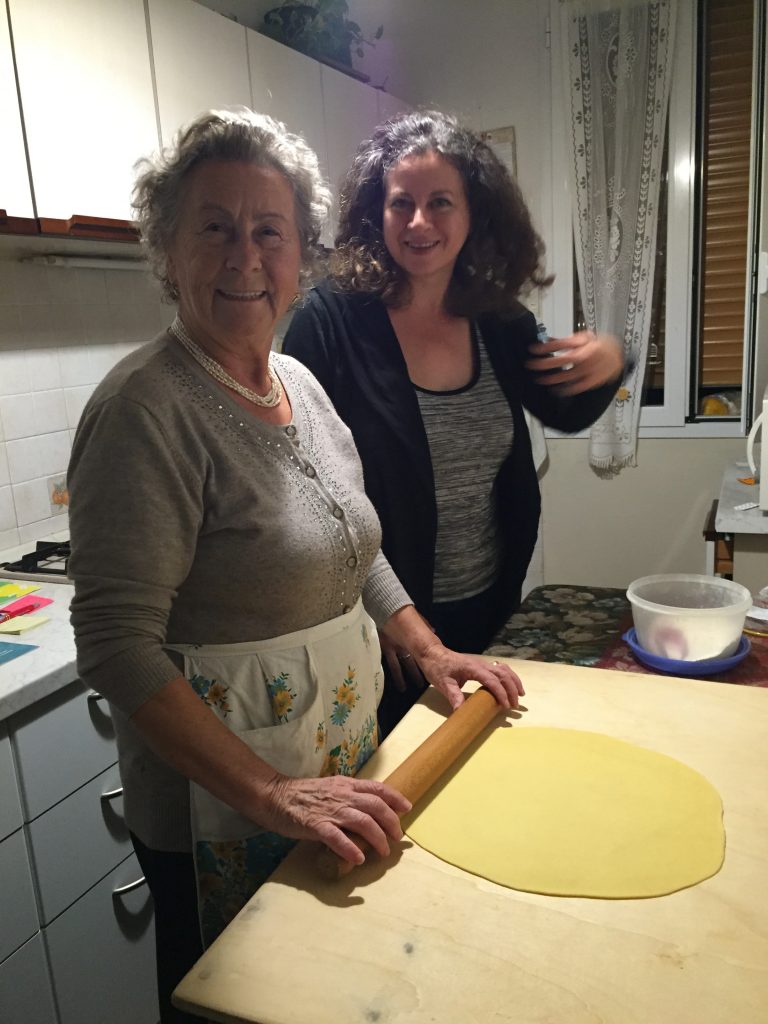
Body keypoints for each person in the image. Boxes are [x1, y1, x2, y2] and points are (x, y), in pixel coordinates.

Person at [66, 108, 523, 1024]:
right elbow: (116, 644)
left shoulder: (299, 387)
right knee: (238, 1003)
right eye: (214, 226)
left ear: (300, 253)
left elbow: (359, 546)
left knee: (328, 995)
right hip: (224, 809)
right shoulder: (146, 410)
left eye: (268, 230)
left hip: (333, 768)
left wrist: (428, 653)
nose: (244, 255)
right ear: (167, 248)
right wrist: (274, 791)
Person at [283, 109, 624, 735]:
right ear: (374, 213)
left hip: (490, 605)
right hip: (378, 628)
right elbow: (305, 488)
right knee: (400, 785)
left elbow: (565, 407)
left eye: (441, 202)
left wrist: (610, 361)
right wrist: (378, 611)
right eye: (400, 203)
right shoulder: (328, 322)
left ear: (474, 214)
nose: (419, 222)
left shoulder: (496, 319)